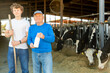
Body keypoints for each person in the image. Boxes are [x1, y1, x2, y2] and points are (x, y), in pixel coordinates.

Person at [5, 3, 30, 73]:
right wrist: (9, 34)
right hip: (12, 48)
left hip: (23, 48)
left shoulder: (26, 22)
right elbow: (6, 34)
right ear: (12, 12)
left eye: (18, 10)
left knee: (25, 69)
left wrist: (18, 42)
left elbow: (27, 36)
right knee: (12, 69)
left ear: (21, 11)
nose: (16, 12)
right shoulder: (10, 22)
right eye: (14, 10)